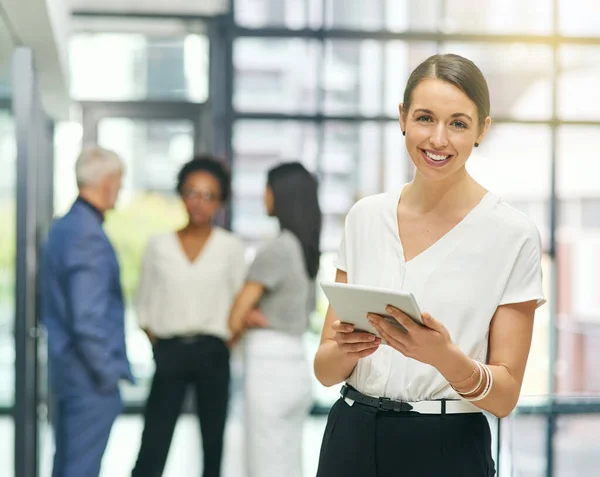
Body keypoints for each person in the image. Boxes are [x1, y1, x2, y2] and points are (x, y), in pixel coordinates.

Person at [313, 53, 546, 477]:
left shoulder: (513, 234)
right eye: (424, 118)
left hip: (447, 446)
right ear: (402, 117)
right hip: (350, 435)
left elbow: (505, 397)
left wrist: (443, 357)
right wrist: (346, 350)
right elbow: (325, 369)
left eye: (458, 123)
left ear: (482, 130)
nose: (438, 139)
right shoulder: (364, 217)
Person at [131, 155, 246, 477]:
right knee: (153, 441)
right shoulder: (159, 245)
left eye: (209, 195)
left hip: (213, 351)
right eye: (193, 192)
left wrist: (226, 342)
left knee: (213, 444)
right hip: (170, 351)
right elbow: (144, 304)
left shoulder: (231, 247)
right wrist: (161, 345)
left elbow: (240, 304)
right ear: (181, 194)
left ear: (220, 202)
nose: (199, 202)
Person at [41, 146, 133, 477]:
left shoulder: (65, 227)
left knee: (67, 464)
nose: (120, 189)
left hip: (69, 372)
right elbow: (86, 319)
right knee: (80, 469)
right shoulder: (86, 235)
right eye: (120, 181)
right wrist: (107, 375)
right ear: (107, 181)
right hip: (89, 380)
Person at [228, 162, 322, 477]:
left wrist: (250, 316)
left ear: (281, 196)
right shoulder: (308, 250)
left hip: (268, 367)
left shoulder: (278, 249)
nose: (262, 196)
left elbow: (235, 316)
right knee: (287, 461)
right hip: (296, 364)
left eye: (267, 189)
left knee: (264, 463)